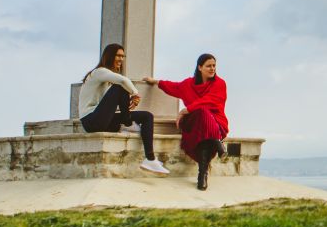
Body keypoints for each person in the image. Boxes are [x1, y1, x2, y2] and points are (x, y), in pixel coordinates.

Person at [78, 43, 168, 176]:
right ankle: (128, 123)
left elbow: (111, 101)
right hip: (91, 121)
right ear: (109, 56)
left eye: (123, 56)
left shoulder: (106, 78)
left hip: (101, 120)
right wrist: (135, 93)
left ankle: (150, 159)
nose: (121, 59)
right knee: (120, 86)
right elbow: (122, 80)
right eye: (118, 55)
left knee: (147, 116)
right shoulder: (99, 72)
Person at [144, 53, 227, 191]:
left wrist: (186, 109)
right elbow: (174, 87)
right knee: (201, 113)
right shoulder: (188, 84)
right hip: (192, 123)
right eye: (208, 66)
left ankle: (202, 175)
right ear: (200, 67)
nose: (212, 68)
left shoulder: (220, 83)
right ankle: (217, 142)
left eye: (214, 66)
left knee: (204, 120)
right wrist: (156, 82)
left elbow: (210, 100)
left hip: (216, 122)